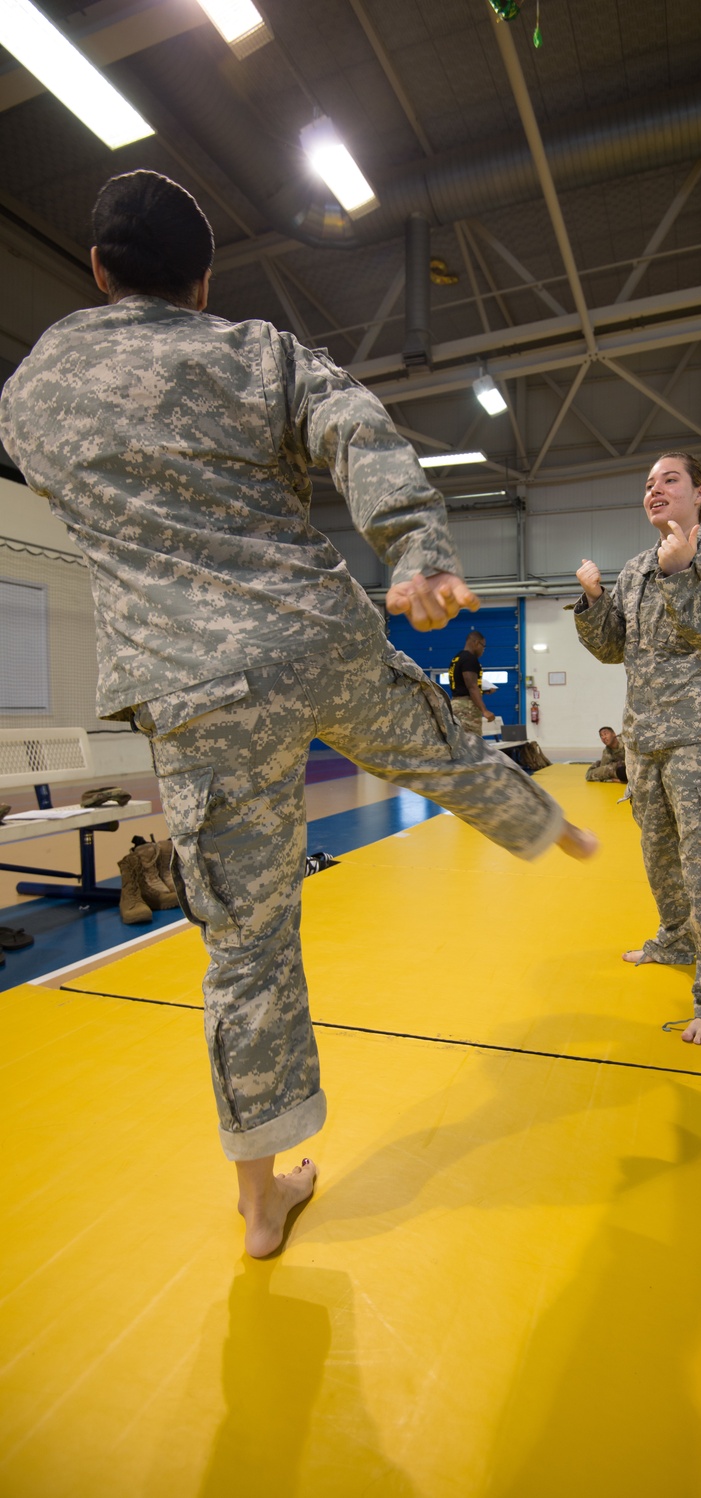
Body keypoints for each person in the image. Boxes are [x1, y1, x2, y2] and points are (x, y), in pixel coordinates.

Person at [0, 170, 597, 1257]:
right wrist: (415, 547)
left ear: (95, 271)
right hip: (310, 632)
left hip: (190, 684)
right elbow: (353, 425)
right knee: (434, 741)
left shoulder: (37, 389)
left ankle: (261, 1201)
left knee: (246, 947)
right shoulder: (254, 352)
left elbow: (53, 474)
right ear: (204, 281)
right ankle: (544, 823)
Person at [574, 453, 701, 1048]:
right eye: (649, 483)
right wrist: (593, 600)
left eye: (669, 480)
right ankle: (676, 940)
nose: (655, 490)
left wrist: (682, 574)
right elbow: (610, 648)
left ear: (700, 491)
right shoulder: (635, 570)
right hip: (646, 742)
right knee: (662, 863)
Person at [447, 629, 494, 736]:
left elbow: (461, 684)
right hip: (466, 709)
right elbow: (471, 686)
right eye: (483, 646)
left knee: (460, 743)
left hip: (456, 704)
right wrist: (484, 710)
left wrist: (483, 690)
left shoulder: (457, 658)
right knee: (472, 744)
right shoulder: (469, 659)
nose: (483, 650)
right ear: (476, 643)